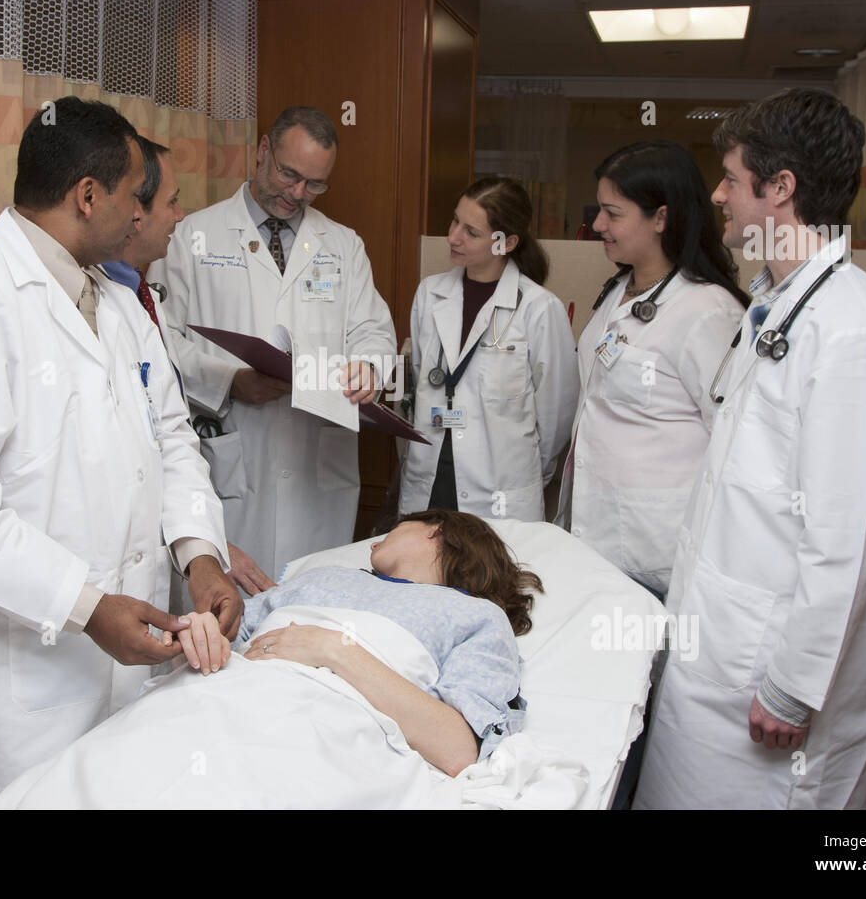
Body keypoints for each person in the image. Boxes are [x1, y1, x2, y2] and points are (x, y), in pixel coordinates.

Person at [0, 97, 237, 809]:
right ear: (88, 195)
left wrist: (200, 554)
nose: (143, 215)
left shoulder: (122, 307)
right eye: (136, 197)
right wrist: (87, 605)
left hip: (107, 671)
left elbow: (171, 439)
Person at [633, 89, 866, 810]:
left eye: (732, 178)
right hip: (718, 657)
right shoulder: (773, 307)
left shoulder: (858, 332)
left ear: (782, 189)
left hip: (769, 689)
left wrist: (795, 687)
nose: (718, 195)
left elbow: (848, 537)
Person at [0, 510, 543, 808]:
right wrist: (202, 634)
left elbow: (457, 749)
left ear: (435, 530)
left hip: (330, 729)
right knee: (100, 777)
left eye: (397, 524)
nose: (378, 536)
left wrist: (333, 650)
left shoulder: (474, 617)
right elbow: (229, 648)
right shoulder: (322, 578)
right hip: (212, 702)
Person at [153, 106, 397, 579]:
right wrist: (232, 382)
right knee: (232, 619)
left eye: (315, 184)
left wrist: (369, 366)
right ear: (263, 149)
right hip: (234, 450)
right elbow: (162, 340)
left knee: (312, 611)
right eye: (289, 174)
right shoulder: (192, 237)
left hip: (317, 460)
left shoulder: (343, 244)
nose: (297, 193)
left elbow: (373, 331)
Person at [557, 141, 748, 599]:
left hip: (657, 550)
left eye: (612, 213)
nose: (598, 225)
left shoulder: (708, 312)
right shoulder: (617, 290)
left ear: (661, 218)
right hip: (591, 536)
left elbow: (733, 441)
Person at [98, 136, 274, 598]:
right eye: (172, 202)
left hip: (164, 551)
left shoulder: (136, 296)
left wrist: (204, 550)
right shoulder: (101, 303)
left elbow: (169, 438)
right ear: (133, 210)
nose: (181, 215)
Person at [399, 177, 577, 522]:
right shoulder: (430, 293)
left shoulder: (539, 308)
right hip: (432, 476)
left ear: (506, 242)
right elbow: (425, 377)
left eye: (471, 232)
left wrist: (518, 474)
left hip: (500, 489)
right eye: (454, 221)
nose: (453, 237)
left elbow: (556, 416)